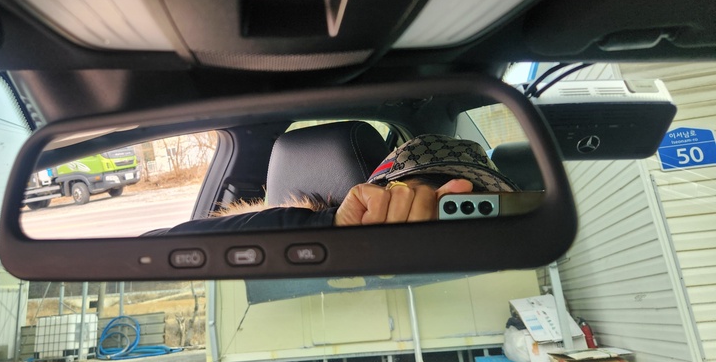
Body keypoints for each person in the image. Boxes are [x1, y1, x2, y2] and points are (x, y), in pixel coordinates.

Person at [155, 134, 517, 235]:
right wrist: (330, 228)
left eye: (475, 204)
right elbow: (165, 244)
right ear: (375, 198)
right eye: (405, 195)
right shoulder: (327, 241)